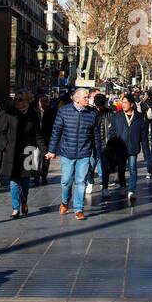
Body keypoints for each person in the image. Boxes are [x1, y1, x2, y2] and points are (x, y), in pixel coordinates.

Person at [46, 86, 98, 219]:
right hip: (67, 152)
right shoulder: (64, 111)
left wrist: (98, 151)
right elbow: (56, 131)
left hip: (84, 153)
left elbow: (95, 134)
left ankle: (78, 209)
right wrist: (51, 150)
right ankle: (64, 201)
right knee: (66, 181)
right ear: (77, 99)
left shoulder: (92, 113)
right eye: (85, 97)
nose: (88, 99)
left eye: (88, 97)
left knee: (81, 182)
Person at [2, 91, 41, 218]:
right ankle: (15, 208)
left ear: (27, 101)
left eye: (19, 99)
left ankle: (24, 202)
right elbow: (1, 132)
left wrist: (46, 151)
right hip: (12, 152)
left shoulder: (34, 114)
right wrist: (5, 146)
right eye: (16, 99)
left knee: (25, 182)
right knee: (14, 181)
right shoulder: (9, 113)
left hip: (29, 151)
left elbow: (38, 135)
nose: (16, 102)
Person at [110, 92, 147, 201]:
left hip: (133, 147)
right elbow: (112, 131)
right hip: (120, 147)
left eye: (126, 102)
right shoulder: (117, 116)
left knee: (133, 169)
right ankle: (122, 186)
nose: (123, 104)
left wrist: (146, 152)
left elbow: (143, 135)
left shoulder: (139, 117)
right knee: (121, 169)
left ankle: (131, 190)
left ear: (131, 104)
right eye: (123, 102)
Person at [93, 92, 118, 192]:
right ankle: (90, 180)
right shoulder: (91, 113)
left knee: (102, 162)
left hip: (105, 142)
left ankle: (102, 181)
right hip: (93, 142)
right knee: (91, 164)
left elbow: (113, 128)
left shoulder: (109, 113)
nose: (99, 108)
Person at [37, 94, 58, 186]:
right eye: (42, 101)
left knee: (46, 159)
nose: (43, 103)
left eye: (45, 101)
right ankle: (36, 177)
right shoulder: (34, 111)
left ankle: (44, 176)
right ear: (38, 102)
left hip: (47, 138)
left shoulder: (51, 112)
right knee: (35, 158)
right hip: (36, 139)